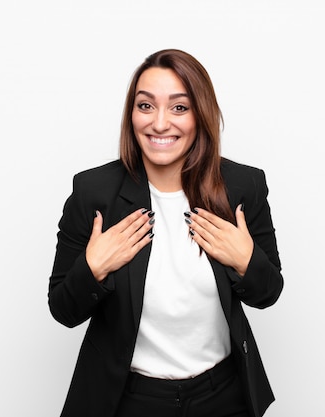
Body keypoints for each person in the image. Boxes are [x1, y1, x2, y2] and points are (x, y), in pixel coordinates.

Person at [48, 49, 283, 417]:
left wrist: (245, 261)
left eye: (179, 107)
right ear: (131, 115)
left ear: (200, 115)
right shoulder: (93, 192)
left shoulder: (243, 186)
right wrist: (92, 268)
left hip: (222, 395)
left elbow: (268, 292)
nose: (159, 123)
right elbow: (63, 309)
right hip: (129, 399)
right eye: (145, 106)